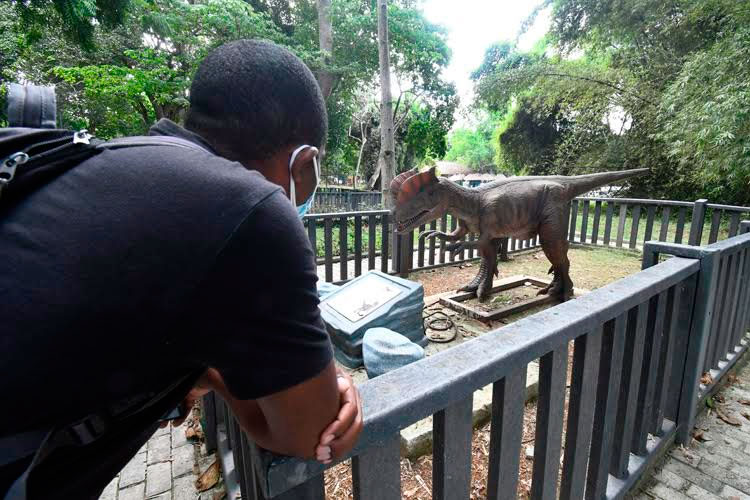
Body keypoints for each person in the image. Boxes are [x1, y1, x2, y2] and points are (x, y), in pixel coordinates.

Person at [0, 39, 362, 498]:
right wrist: (232, 383)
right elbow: (309, 434)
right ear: (304, 163)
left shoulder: (120, 159)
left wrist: (209, 373)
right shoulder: (255, 211)